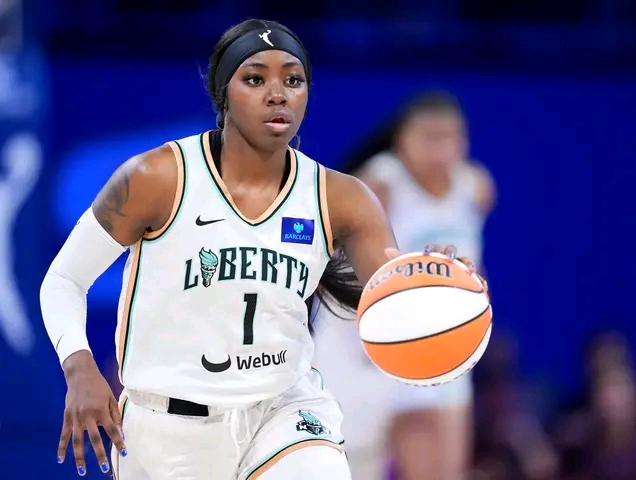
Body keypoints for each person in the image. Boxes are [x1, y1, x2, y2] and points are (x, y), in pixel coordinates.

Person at [39, 20, 482, 480]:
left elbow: (393, 296)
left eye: (293, 80)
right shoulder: (157, 178)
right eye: (255, 79)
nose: (278, 94)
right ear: (223, 93)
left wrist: (433, 284)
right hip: (168, 425)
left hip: (285, 410)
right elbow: (64, 280)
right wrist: (79, 367)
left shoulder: (340, 197)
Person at [312, 91, 496, 480]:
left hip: (434, 340)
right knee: (348, 469)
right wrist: (413, 280)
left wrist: (469, 295)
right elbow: (338, 264)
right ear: (402, 140)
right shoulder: (379, 183)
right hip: (361, 347)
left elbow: (474, 262)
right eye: (429, 137)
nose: (440, 150)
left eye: (450, 138)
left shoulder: (476, 187)